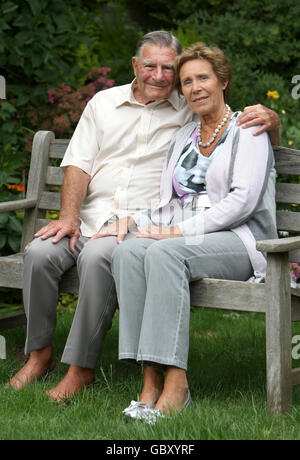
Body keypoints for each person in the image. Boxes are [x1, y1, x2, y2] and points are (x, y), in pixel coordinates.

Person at [9, 31, 279, 401]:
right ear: (135, 66)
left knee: (112, 254)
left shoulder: (210, 116)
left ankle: (88, 370)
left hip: (186, 231)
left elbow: (243, 183)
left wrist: (272, 121)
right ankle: (47, 357)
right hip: (102, 220)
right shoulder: (121, 109)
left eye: (172, 69)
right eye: (152, 66)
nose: (161, 76)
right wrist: (73, 217)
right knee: (41, 253)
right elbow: (82, 164)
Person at [110, 42, 277, 423]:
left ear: (223, 81)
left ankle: (177, 386)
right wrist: (133, 222)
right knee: (129, 251)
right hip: (188, 235)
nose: (195, 87)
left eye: (203, 78)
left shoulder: (247, 130)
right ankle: (149, 382)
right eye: (186, 82)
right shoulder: (185, 136)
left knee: (165, 252)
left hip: (241, 239)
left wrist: (177, 233)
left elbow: (242, 202)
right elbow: (169, 200)